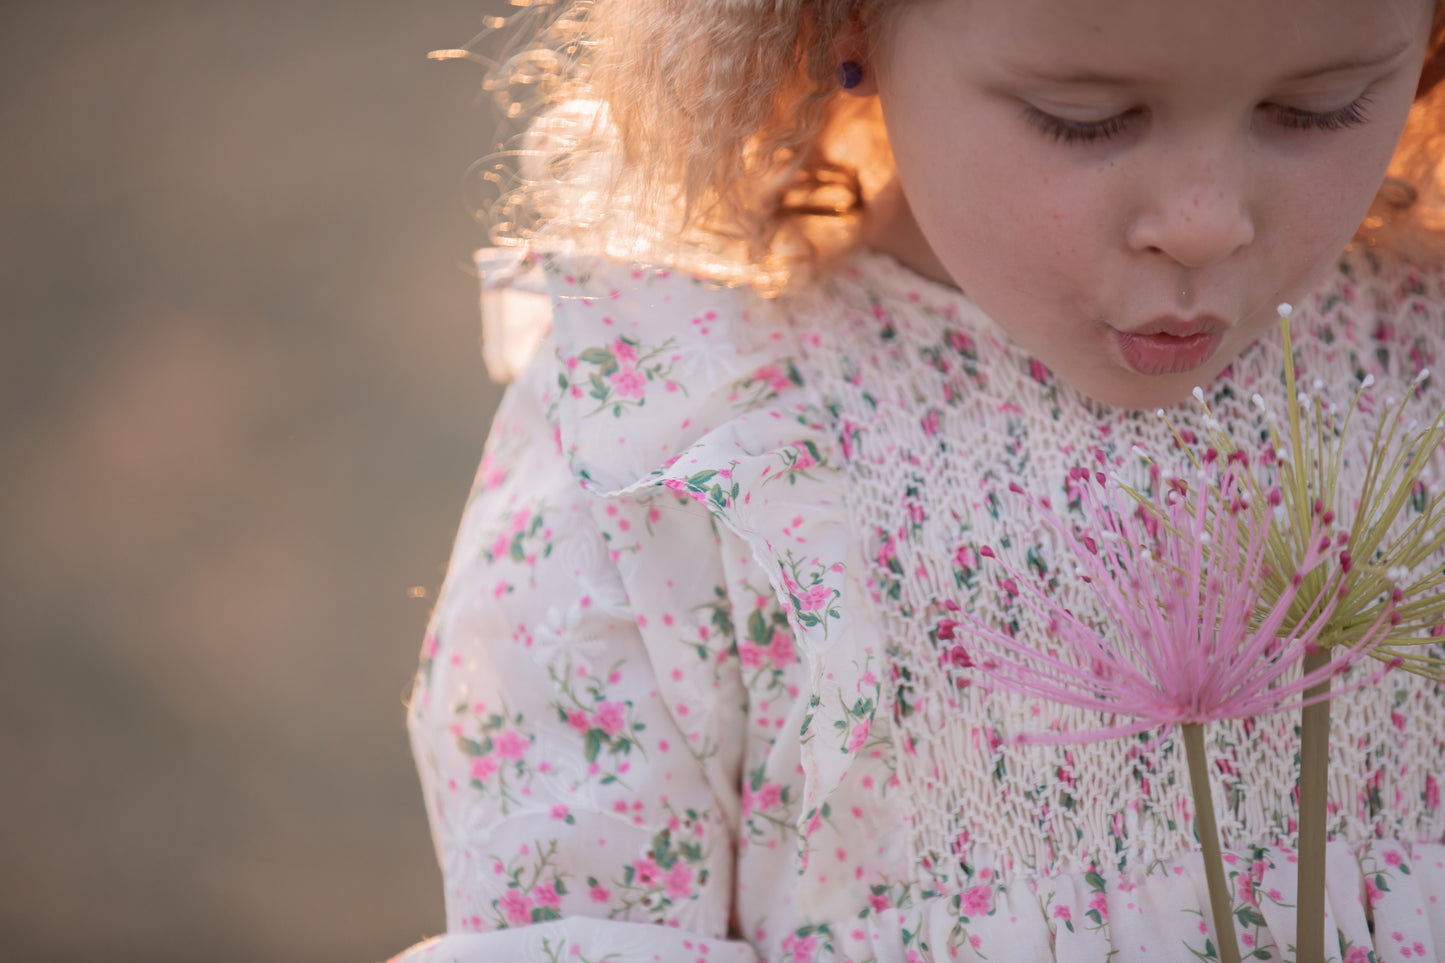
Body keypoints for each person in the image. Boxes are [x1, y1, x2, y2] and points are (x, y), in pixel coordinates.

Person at [393, 1, 1445, 959]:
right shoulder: (688, 437)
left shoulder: (1418, 365)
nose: (1203, 220)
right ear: (846, 25)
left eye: (1316, 107)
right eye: (1081, 117)